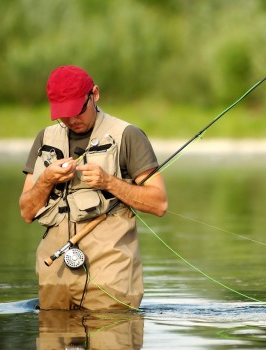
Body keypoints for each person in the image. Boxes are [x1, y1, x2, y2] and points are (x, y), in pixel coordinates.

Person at [19, 65, 167, 310]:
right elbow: (26, 212)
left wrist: (109, 182)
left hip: (111, 279)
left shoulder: (128, 136)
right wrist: (46, 179)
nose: (72, 120)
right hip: (54, 275)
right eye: (63, 114)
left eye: (78, 111)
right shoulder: (44, 139)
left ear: (94, 94)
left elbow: (159, 204)